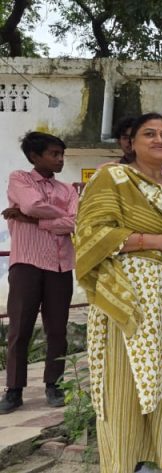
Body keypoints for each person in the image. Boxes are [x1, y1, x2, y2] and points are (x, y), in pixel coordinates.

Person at [74, 113, 162, 472]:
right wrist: (155, 241)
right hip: (130, 300)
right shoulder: (113, 178)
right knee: (125, 387)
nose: (159, 140)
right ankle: (121, 464)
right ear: (131, 142)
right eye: (149, 134)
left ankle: (152, 463)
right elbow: (91, 233)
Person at [1, 132, 77, 414]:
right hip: (27, 263)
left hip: (60, 266)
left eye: (61, 154)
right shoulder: (20, 179)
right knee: (20, 328)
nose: (60, 159)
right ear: (35, 156)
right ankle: (14, 390)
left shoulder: (67, 189)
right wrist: (53, 216)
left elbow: (75, 222)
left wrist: (31, 220)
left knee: (57, 329)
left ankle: (54, 385)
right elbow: (32, 204)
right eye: (54, 154)